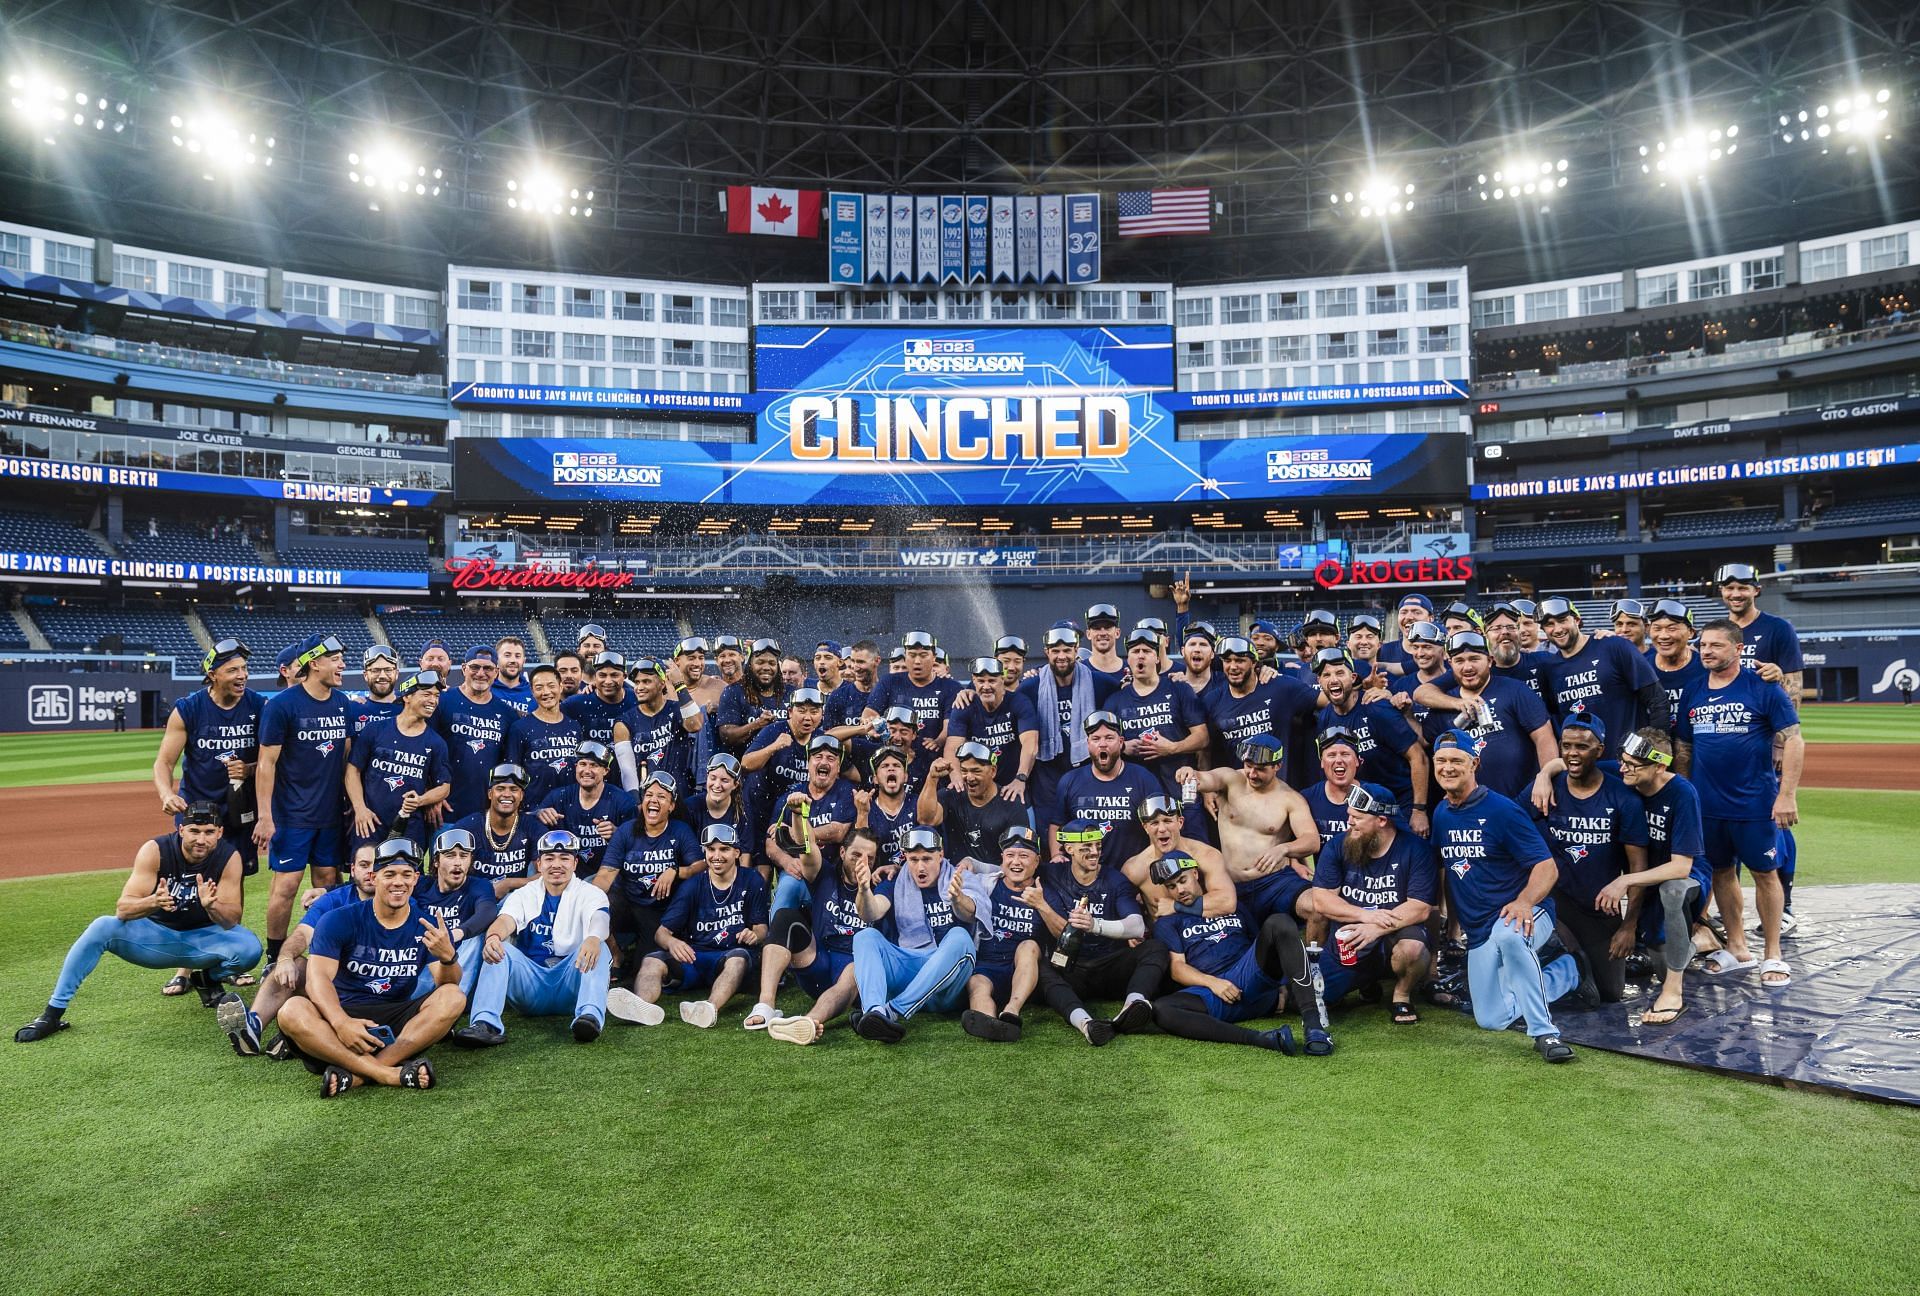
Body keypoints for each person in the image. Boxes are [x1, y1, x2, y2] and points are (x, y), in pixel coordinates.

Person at [16, 803, 261, 1042]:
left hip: (203, 939)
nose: (201, 839)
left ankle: (207, 980)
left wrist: (212, 906)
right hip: (156, 938)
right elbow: (123, 908)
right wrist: (153, 901)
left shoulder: (229, 856)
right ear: (181, 829)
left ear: (219, 833)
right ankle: (52, 1014)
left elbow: (232, 920)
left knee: (250, 948)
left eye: (209, 832)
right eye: (194, 831)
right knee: (102, 926)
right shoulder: (156, 850)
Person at [1430, 729, 1584, 1063]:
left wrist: (1525, 901)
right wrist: (1452, 928)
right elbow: (1452, 875)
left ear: (1475, 763)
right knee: (1491, 1019)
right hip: (1480, 930)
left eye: (1457, 760)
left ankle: (1545, 1034)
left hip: (1527, 912)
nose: (1447, 767)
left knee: (1511, 936)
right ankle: (1567, 971)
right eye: (1440, 761)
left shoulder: (1502, 811)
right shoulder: (1441, 814)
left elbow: (1547, 868)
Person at [273, 837, 465, 1095]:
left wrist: (447, 957)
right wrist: (341, 1023)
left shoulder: (428, 924)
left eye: (407, 874)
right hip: (340, 1018)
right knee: (291, 1010)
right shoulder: (339, 919)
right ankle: (389, 1073)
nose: (399, 882)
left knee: (453, 997)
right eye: (390, 874)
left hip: (394, 1018)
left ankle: (358, 1074)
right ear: (374, 878)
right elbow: (317, 980)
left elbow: (447, 984)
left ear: (416, 879)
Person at [1672, 619, 1804, 989]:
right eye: (1703, 646)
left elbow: (1794, 740)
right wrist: (1685, 795)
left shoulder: (1762, 688)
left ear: (1738, 649)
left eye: (1716, 645)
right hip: (1707, 805)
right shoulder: (1694, 690)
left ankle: (1773, 953)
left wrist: (1787, 794)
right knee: (1720, 873)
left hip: (1754, 804)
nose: (1707, 651)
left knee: (1766, 874)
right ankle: (1737, 947)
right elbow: (1684, 748)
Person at [152, 637, 265, 993]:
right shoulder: (189, 708)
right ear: (212, 674)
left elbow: (273, 760)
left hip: (238, 812)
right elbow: (164, 761)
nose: (242, 675)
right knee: (187, 888)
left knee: (234, 886)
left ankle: (228, 960)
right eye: (233, 670)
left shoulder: (258, 705)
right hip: (197, 815)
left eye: (244, 669)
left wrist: (247, 770)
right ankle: (185, 969)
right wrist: (166, 793)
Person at [451, 829, 612, 1047]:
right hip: (531, 984)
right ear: (539, 864)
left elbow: (600, 920)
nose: (557, 865)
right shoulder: (524, 893)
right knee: (499, 948)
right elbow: (505, 920)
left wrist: (593, 938)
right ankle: (485, 1023)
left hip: (570, 980)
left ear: (575, 863)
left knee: (599, 945)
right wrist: (494, 937)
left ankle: (589, 1018)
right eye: (549, 859)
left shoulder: (590, 893)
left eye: (564, 858)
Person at [1150, 852, 1321, 1054]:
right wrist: (1213, 984)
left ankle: (1314, 1026)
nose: (1180, 890)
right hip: (1213, 992)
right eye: (1171, 886)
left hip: (1249, 977)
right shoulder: (1168, 922)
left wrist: (1282, 985)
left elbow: (1263, 943)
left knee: (1279, 922)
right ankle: (1262, 1039)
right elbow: (1177, 968)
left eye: (1182, 880)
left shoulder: (1231, 905)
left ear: (1195, 874)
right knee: (1162, 1009)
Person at [1531, 716, 1648, 1004]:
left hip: (1599, 908)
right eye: (1566, 745)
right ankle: (1566, 963)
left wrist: (1628, 926)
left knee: (1610, 994)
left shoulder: (1623, 797)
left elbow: (1637, 867)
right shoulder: (1548, 786)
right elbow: (1512, 830)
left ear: (1600, 750)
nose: (1572, 753)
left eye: (1582, 746)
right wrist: (1542, 776)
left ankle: (1576, 964)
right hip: (1552, 903)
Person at [217, 852, 379, 1059]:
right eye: (364, 865)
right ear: (352, 869)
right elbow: (302, 934)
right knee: (294, 964)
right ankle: (253, 1027)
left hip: (374, 990)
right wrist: (284, 959)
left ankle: (295, 1038)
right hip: (330, 984)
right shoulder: (334, 899)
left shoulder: (399, 899)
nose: (371, 871)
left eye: (377, 865)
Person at [607, 823, 770, 1028]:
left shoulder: (752, 880)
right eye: (711, 850)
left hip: (730, 954)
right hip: (695, 956)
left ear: (737, 852)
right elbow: (661, 933)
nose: (716, 856)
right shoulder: (692, 885)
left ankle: (709, 1009)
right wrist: (672, 943)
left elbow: (762, 928)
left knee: (737, 959)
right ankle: (641, 1007)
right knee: (651, 961)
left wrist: (754, 934)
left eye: (724, 849)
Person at [256, 634, 351, 972]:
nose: (342, 665)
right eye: (336, 659)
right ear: (315, 663)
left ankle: (327, 953)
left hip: (330, 816)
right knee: (286, 887)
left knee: (328, 884)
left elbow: (346, 757)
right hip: (292, 816)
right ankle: (274, 957)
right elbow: (266, 763)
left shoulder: (342, 703)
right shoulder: (282, 705)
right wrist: (265, 817)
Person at [1028, 819, 1169, 1045]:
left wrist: (1095, 925)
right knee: (1041, 967)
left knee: (1156, 948)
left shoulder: (1114, 879)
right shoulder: (1051, 873)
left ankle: (1132, 1006)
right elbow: (1014, 867)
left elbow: (1137, 926)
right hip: (1072, 968)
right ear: (1069, 849)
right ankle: (1086, 1024)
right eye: (1086, 848)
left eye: (1098, 846)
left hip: (1111, 964)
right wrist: (970, 864)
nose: (1095, 852)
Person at [1717, 561, 1805, 920]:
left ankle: (1784, 906)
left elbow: (1795, 690)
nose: (1735, 593)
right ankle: (1730, 907)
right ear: (1721, 591)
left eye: (1743, 587)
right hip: (1728, 741)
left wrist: (1782, 745)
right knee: (1726, 822)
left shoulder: (1777, 629)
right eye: (1729, 587)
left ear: (1756, 589)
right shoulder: (1718, 631)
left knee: (1775, 823)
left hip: (1767, 743)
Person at [1309, 783, 1436, 1023]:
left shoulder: (1416, 849)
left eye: (1357, 817)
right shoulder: (1339, 845)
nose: (1349, 822)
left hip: (1395, 930)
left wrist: (1376, 927)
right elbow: (1321, 898)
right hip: (1351, 935)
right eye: (1349, 815)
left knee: (1412, 949)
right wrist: (1365, 916)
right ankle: (1363, 981)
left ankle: (1402, 995)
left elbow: (1420, 907)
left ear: (1381, 820)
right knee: (1308, 998)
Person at [846, 827, 983, 1042]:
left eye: (927, 859)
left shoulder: (960, 877)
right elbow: (871, 912)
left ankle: (893, 1010)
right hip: (910, 967)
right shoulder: (895, 879)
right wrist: (863, 891)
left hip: (946, 984)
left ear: (941, 855)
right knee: (864, 937)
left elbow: (972, 912)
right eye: (914, 859)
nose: (920, 867)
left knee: (960, 937)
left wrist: (958, 899)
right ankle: (875, 1013)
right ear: (905, 858)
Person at [1615, 729, 1711, 1024]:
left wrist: (1626, 880)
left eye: (1632, 765)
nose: (1622, 769)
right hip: (1649, 877)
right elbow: (1566, 765)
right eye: (1623, 761)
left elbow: (1681, 867)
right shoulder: (1625, 776)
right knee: (1659, 961)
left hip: (1686, 875)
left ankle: (1673, 990)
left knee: (1673, 890)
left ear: (1660, 766)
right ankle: (1704, 939)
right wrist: (1546, 775)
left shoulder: (1682, 793)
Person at [1175, 734, 1322, 925]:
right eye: (1248, 766)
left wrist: (1284, 849)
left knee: (1316, 906)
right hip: (1230, 885)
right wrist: (1191, 773)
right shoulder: (1231, 779)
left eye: (1260, 769)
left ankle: (1316, 954)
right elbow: (1207, 778)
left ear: (1277, 766)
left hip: (1274, 883)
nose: (1252, 774)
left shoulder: (1290, 799)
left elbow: (1312, 840)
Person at [759, 826, 882, 1045]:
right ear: (842, 853)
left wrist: (865, 888)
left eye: (870, 858)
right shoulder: (824, 873)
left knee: (857, 970)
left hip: (853, 968)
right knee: (785, 917)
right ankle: (765, 1005)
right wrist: (799, 815)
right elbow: (807, 848)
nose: (863, 862)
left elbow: (873, 911)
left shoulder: (880, 884)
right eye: (856, 855)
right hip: (818, 960)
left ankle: (807, 1023)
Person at [1410, 631, 1555, 799]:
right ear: (1450, 664)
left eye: (1474, 659)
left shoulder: (1515, 690)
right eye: (1459, 661)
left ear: (1490, 661)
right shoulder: (1444, 704)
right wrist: (1406, 714)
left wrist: (1547, 778)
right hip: (1469, 807)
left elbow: (1544, 737)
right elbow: (1422, 740)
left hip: (1522, 801)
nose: (1467, 667)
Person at [1535, 596, 1669, 763]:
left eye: (1563, 620)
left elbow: (1657, 700)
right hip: (1584, 771)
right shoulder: (1548, 668)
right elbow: (1556, 718)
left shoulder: (1614, 646)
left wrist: (1655, 758)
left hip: (1627, 766)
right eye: (1549, 624)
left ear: (1577, 619)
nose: (1557, 629)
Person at [1314, 648, 1429, 833]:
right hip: (1361, 810)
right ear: (1319, 681)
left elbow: (1418, 757)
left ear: (1352, 678)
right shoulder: (1325, 718)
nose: (1333, 680)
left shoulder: (1376, 707)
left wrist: (1419, 811)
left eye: (1339, 673)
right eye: (1326, 675)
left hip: (1398, 806)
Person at [596, 771, 703, 965]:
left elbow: (701, 866)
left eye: (661, 797)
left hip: (660, 910)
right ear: (642, 802)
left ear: (671, 806)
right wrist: (587, 900)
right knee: (599, 907)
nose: (654, 800)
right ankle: (615, 954)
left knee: (645, 962)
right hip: (629, 902)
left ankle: (635, 955)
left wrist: (676, 871)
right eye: (649, 795)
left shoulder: (679, 830)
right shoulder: (626, 831)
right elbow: (605, 875)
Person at [344, 669, 451, 862]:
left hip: (410, 828)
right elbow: (352, 771)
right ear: (407, 696)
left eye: (436, 696)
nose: (433, 701)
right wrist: (360, 808)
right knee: (365, 882)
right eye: (426, 694)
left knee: (405, 884)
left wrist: (420, 800)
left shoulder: (436, 743)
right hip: (369, 824)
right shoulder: (375, 730)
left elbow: (444, 786)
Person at [1016, 624, 1114, 828]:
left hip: (1086, 776)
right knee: (1050, 844)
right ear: (1046, 653)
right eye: (1056, 651)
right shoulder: (1029, 688)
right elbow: (1003, 702)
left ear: (1076, 650)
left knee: (1089, 837)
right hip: (1046, 780)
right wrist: (969, 692)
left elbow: (1131, 690)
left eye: (1067, 650)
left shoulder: (1101, 683)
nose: (1062, 656)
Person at [957, 824, 1047, 1042]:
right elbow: (966, 901)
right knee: (977, 984)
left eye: (1024, 856)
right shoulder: (986, 884)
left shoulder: (1043, 891)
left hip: (1023, 969)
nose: (1016, 862)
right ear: (1002, 859)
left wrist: (1043, 905)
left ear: (1037, 861)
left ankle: (1011, 1011)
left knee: (1029, 946)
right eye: (1010, 855)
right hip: (987, 963)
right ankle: (990, 1023)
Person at [1201, 635, 1318, 795]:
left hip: (1281, 794)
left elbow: (1326, 700)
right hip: (1239, 797)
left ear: (1254, 662)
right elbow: (1206, 748)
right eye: (1227, 661)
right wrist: (1208, 791)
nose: (1233, 667)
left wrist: (1362, 688)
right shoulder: (1212, 701)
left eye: (1240, 660)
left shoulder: (1281, 687)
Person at [1050, 712, 1163, 867]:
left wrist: (1151, 865)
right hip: (1085, 875)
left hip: (1132, 873)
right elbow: (1057, 824)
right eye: (1096, 739)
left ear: (1121, 742)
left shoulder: (1143, 778)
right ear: (1088, 744)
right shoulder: (1070, 780)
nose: (1102, 744)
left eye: (1109, 738)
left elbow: (1159, 825)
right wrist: (1057, 855)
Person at [1112, 627, 1208, 792]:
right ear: (1128, 659)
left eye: (1147, 651)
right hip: (1139, 793)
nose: (1140, 655)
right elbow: (1101, 742)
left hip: (1182, 787)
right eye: (1135, 651)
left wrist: (1172, 748)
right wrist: (1122, 747)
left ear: (1157, 658)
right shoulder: (1115, 701)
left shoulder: (1179, 689)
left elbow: (1203, 738)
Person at [432, 645, 521, 820]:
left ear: (496, 672)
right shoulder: (441, 702)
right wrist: (430, 793)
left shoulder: (508, 714)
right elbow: (425, 749)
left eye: (488, 668)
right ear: (464, 669)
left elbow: (508, 764)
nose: (481, 673)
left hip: (486, 813)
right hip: (444, 808)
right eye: (475, 667)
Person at [411, 826, 499, 994]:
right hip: (423, 960)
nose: (458, 862)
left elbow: (487, 911)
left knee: (478, 937)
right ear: (436, 861)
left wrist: (454, 935)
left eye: (464, 856)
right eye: (450, 856)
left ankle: (457, 995)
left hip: (460, 961)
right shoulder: (421, 886)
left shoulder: (479, 885)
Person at [918, 743, 1030, 870]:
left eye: (976, 771)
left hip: (996, 880)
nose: (969, 777)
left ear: (992, 771)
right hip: (956, 880)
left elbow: (1020, 859)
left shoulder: (1011, 804)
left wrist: (979, 868)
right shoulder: (951, 795)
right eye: (964, 771)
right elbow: (926, 819)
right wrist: (932, 778)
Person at [536, 740, 636, 878]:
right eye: (582, 764)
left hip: (607, 876)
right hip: (566, 875)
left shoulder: (623, 802)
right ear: (576, 767)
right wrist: (539, 814)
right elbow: (527, 827)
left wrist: (618, 835)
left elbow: (639, 846)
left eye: (594, 765)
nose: (587, 771)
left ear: (606, 771)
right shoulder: (558, 797)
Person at [946, 656, 1039, 799]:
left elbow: (1030, 743)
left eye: (992, 681)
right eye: (981, 681)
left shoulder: (1019, 702)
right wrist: (957, 778)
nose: (986, 686)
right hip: (977, 789)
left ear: (1002, 679)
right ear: (974, 681)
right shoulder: (964, 706)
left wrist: (1020, 779)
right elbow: (952, 747)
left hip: (1012, 787)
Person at [861, 631, 961, 759]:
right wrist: (873, 723)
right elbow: (869, 712)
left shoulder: (950, 687)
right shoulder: (890, 682)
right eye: (912, 655)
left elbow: (951, 724)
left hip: (933, 759)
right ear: (905, 656)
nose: (917, 661)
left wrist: (938, 741)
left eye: (923, 655)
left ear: (934, 657)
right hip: (896, 759)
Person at [502, 662, 582, 809]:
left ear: (560, 687)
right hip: (534, 810)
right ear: (532, 691)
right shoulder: (519, 728)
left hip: (571, 809)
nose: (546, 692)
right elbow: (512, 775)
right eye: (539, 688)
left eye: (551, 686)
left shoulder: (574, 727)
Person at [455, 764, 539, 895]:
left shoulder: (532, 826)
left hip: (516, 897)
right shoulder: (467, 827)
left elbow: (548, 874)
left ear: (521, 795)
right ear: (490, 794)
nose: (507, 794)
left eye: (513, 789)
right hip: (473, 896)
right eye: (500, 789)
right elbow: (448, 873)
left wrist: (509, 883)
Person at [623, 655, 704, 791]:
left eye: (646, 681)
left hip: (678, 794)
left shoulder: (677, 709)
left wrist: (679, 684)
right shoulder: (626, 720)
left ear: (662, 683)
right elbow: (626, 769)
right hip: (646, 798)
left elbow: (695, 725)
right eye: (637, 682)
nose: (639, 687)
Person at [716, 639, 789, 754]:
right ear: (750, 665)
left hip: (783, 766)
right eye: (760, 662)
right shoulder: (733, 692)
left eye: (772, 663)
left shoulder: (790, 692)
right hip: (746, 766)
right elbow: (726, 736)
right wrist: (757, 724)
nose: (766, 667)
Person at [1647, 599, 1708, 718]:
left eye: (1672, 628)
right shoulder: (1642, 669)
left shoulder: (1706, 667)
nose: (1663, 636)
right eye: (1657, 628)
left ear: (1690, 632)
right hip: (1652, 736)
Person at [348, 644, 404, 738]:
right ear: (365, 675)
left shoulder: (408, 709)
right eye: (375, 670)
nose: (382, 676)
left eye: (388, 670)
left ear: (396, 674)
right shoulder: (352, 709)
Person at [1082, 603, 1125, 688]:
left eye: (1108, 627)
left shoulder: (1133, 670)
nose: (1102, 633)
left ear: (1117, 633)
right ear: (1088, 634)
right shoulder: (1079, 672)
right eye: (1097, 628)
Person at [492, 634, 531, 713]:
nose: (513, 660)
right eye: (507, 655)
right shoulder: (485, 690)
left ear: (524, 661)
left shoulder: (534, 693)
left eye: (517, 656)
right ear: (496, 659)